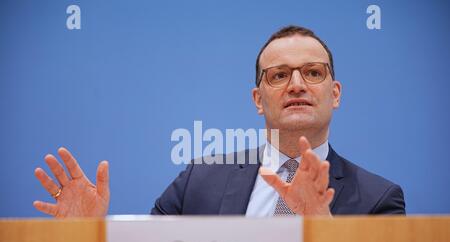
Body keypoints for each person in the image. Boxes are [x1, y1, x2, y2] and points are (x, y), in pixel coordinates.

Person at [33, 25, 405, 218]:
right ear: (258, 100)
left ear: (335, 93)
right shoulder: (200, 179)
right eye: (278, 75)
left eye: (312, 72)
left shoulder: (379, 199)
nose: (296, 85)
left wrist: (320, 228)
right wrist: (87, 238)